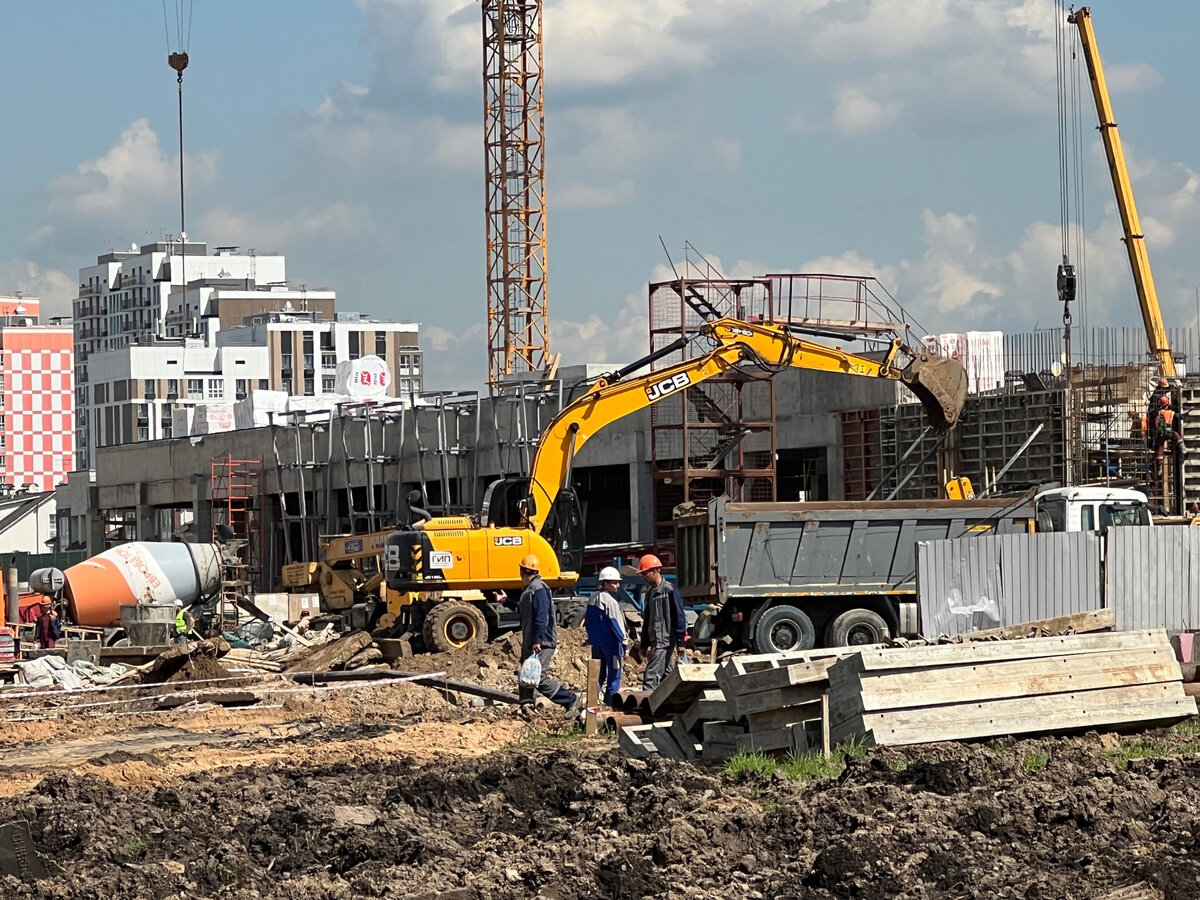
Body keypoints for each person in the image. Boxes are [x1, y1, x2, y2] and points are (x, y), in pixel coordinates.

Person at [497, 555, 577, 711]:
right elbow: (523, 610)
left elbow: (542, 616)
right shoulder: (529, 590)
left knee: (537, 678)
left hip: (543, 641)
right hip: (533, 640)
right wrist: (506, 601)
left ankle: (570, 700)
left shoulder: (538, 588)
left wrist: (538, 640)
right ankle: (526, 707)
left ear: (523, 571)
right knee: (525, 675)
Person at [637, 554, 686, 691]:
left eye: (645, 573)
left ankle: (647, 706)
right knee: (667, 675)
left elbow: (679, 616)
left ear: (655, 570)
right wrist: (644, 644)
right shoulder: (650, 593)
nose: (644, 577)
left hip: (664, 641)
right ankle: (672, 702)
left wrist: (681, 642)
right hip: (656, 640)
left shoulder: (669, 590)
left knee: (651, 675)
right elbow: (647, 620)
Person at [584, 567, 629, 705]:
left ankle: (591, 702)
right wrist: (624, 641)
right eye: (615, 582)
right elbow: (615, 623)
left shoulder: (592, 598)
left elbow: (588, 622)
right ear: (606, 583)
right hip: (612, 645)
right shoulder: (610, 602)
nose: (618, 585)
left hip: (597, 645)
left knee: (598, 674)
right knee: (615, 673)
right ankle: (610, 702)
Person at [1153, 394, 1186, 461]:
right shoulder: (1171, 413)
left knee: (1160, 447)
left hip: (1160, 434)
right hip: (1168, 432)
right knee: (1176, 435)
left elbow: (1152, 415)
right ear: (1168, 403)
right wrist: (1186, 415)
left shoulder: (1158, 412)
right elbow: (1179, 417)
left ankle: (1159, 465)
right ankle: (1182, 447)